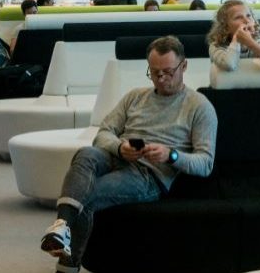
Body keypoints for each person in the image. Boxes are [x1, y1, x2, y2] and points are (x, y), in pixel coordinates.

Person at [40, 36, 217, 272]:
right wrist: (119, 147)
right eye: (154, 72)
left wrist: (171, 155)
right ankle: (61, 227)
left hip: (149, 175)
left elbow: (205, 163)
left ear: (183, 66)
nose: (161, 79)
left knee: (86, 196)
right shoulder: (135, 96)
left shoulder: (200, 106)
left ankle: (66, 264)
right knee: (86, 153)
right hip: (118, 157)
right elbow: (103, 133)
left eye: (167, 72)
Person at [207, 0, 260, 73]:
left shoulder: (258, 43)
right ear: (226, 27)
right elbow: (229, 65)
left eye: (248, 15)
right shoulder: (216, 46)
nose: (247, 21)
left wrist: (251, 44)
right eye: (238, 17)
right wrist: (237, 39)